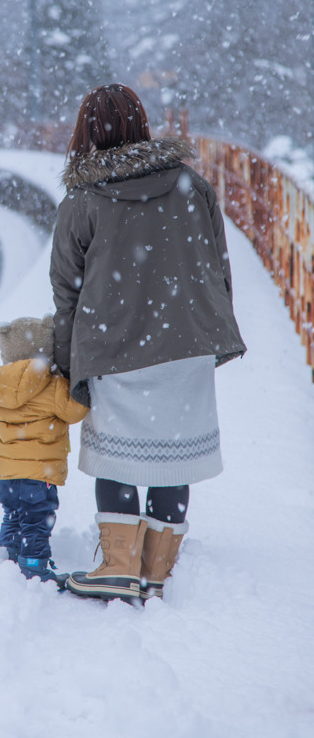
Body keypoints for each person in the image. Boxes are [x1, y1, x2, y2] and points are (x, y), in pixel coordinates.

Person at [49, 83, 246, 603]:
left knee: (118, 459)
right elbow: (219, 268)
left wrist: (68, 366)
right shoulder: (192, 185)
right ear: (141, 124)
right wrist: (212, 331)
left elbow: (66, 293)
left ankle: (117, 566)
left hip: (115, 352)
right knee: (172, 455)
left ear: (85, 132)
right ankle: (157, 569)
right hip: (187, 344)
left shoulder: (82, 201)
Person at [0, 314, 88, 586]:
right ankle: (35, 566)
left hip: (4, 473)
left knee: (12, 513)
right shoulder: (53, 385)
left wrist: (4, 442)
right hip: (40, 473)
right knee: (36, 519)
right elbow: (75, 412)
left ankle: (9, 553)